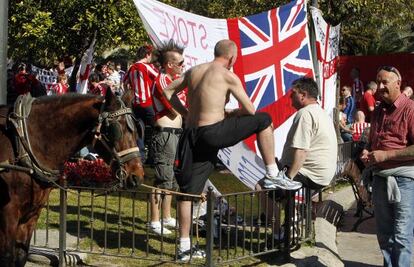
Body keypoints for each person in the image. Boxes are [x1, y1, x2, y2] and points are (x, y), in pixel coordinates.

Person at [164, 39, 302, 261]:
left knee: (187, 192)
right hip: (213, 131)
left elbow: (167, 90)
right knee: (264, 119)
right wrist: (235, 113)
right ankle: (274, 174)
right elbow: (250, 109)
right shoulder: (228, 75)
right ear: (232, 58)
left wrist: (185, 113)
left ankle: (184, 247)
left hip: (192, 134)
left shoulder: (194, 71)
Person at [360, 66, 414, 267]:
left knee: (401, 235)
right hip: (380, 177)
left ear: (398, 83)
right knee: (384, 234)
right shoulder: (379, 110)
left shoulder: (410, 109)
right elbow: (372, 140)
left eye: (385, 82)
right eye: (378, 82)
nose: (380, 87)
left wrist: (386, 155)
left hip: (404, 180)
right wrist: (368, 150)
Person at [149, 40, 186, 236]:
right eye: (180, 63)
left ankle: (166, 216)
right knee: (161, 178)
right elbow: (173, 110)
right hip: (165, 133)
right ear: (169, 65)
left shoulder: (174, 82)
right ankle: (155, 220)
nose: (183, 67)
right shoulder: (162, 80)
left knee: (171, 178)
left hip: (176, 133)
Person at [124, 45, 159, 163]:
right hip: (148, 103)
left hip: (135, 104)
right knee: (158, 128)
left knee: (139, 131)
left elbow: (124, 83)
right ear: (147, 54)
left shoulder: (132, 67)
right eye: (151, 55)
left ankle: (141, 157)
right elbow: (159, 78)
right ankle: (153, 156)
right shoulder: (147, 67)